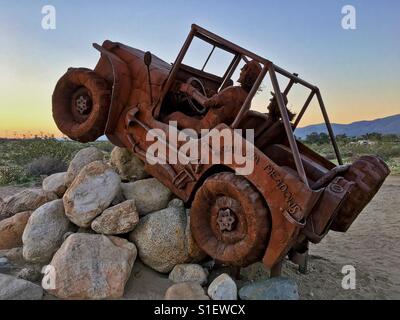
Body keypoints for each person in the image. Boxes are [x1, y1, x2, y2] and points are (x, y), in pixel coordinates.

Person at [165, 60, 262, 133]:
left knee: (174, 116)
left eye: (244, 68)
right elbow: (222, 105)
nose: (241, 70)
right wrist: (213, 95)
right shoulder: (247, 100)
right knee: (195, 115)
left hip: (202, 129)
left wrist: (189, 90)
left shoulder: (233, 91)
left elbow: (206, 103)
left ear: (248, 73)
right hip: (216, 133)